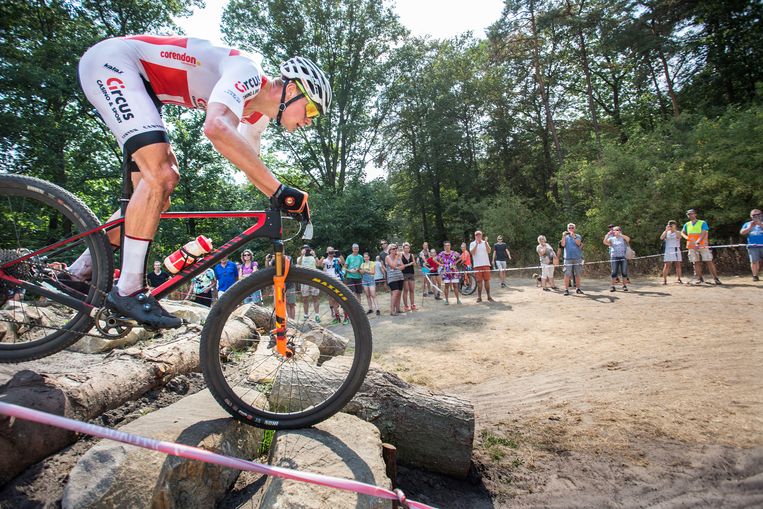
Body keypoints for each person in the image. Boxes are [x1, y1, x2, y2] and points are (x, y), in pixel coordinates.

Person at [75, 35, 329, 329]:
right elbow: (216, 127)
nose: (309, 121)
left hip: (141, 85)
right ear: (293, 89)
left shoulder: (256, 116)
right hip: (116, 64)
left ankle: (78, 272)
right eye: (311, 110)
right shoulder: (248, 72)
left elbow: (249, 163)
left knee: (154, 196)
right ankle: (129, 290)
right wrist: (280, 191)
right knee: (162, 174)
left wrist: (282, 197)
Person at [681, 209, 721, 285]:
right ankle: (700, 279)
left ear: (695, 214)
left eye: (692, 214)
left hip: (703, 245)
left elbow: (703, 233)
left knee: (709, 261)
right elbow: (682, 233)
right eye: (689, 214)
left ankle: (716, 278)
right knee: (695, 262)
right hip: (692, 246)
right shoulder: (687, 224)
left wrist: (697, 242)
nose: (690, 215)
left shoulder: (702, 223)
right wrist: (687, 238)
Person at [322, 247, 348, 324]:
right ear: (327, 252)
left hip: (338, 280)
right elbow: (318, 264)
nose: (331, 253)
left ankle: (346, 317)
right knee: (333, 299)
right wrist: (324, 255)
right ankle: (337, 318)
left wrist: (339, 254)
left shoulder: (336, 259)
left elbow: (343, 262)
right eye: (329, 252)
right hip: (329, 281)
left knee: (342, 298)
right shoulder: (325, 260)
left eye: (332, 252)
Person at [297, 245, 321, 322]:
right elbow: (298, 264)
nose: (306, 250)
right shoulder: (299, 258)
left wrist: (314, 255)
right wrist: (302, 255)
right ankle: (306, 315)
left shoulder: (312, 257)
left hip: (314, 279)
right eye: (304, 249)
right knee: (305, 298)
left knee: (315, 297)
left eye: (307, 249)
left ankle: (317, 315)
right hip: (304, 280)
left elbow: (318, 264)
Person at [603, 226, 630, 292]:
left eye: (617, 230)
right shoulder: (612, 238)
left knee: (624, 272)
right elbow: (605, 242)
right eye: (614, 230)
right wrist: (607, 235)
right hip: (614, 257)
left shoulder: (623, 238)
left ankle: (624, 286)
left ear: (620, 230)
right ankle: (612, 286)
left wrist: (620, 234)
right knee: (614, 272)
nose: (616, 231)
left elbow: (628, 239)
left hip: (623, 257)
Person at [470, 231, 493, 302]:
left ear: (482, 236)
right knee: (479, 282)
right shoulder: (472, 243)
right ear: (475, 236)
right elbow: (472, 253)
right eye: (477, 235)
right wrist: (476, 244)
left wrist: (486, 243)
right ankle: (479, 297)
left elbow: (489, 251)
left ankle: (489, 296)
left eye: (479, 235)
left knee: (487, 281)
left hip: (486, 264)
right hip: (477, 265)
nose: (478, 236)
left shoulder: (485, 242)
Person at [561, 223, 584, 295]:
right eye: (569, 228)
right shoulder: (565, 236)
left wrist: (573, 236)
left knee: (578, 274)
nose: (571, 229)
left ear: (574, 229)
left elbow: (578, 243)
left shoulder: (578, 236)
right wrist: (564, 237)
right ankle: (566, 289)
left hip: (577, 258)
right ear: (567, 229)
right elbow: (563, 245)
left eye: (572, 228)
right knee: (567, 274)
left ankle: (578, 288)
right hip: (567, 258)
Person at [740, 209, 763, 282]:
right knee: (754, 261)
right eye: (754, 215)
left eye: (758, 215)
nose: (756, 217)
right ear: (751, 216)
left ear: (761, 215)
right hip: (753, 246)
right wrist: (750, 227)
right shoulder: (747, 224)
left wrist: (760, 224)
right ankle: (755, 276)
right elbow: (742, 233)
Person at [385, 244, 405, 316]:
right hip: (392, 277)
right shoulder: (388, 257)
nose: (395, 250)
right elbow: (393, 266)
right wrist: (396, 258)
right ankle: (392, 310)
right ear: (389, 250)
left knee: (399, 293)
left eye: (396, 248)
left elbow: (403, 267)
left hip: (400, 277)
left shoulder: (399, 257)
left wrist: (399, 266)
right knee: (395, 292)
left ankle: (398, 309)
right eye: (393, 249)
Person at [359, 252, 380, 316]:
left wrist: (365, 271)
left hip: (371, 280)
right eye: (364, 257)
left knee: (373, 294)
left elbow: (373, 272)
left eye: (367, 257)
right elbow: (361, 273)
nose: (366, 258)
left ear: (369, 257)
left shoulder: (372, 263)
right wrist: (360, 271)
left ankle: (377, 309)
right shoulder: (362, 264)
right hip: (364, 281)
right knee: (367, 295)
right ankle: (370, 308)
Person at [400, 242, 417, 311]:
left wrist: (413, 263)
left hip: (411, 273)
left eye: (408, 248)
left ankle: (413, 305)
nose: (406, 249)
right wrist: (409, 264)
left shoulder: (411, 255)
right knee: (406, 290)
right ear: (403, 248)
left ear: (409, 249)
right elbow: (401, 266)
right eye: (405, 248)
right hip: (404, 274)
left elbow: (415, 264)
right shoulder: (401, 255)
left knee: (412, 290)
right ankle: (406, 306)